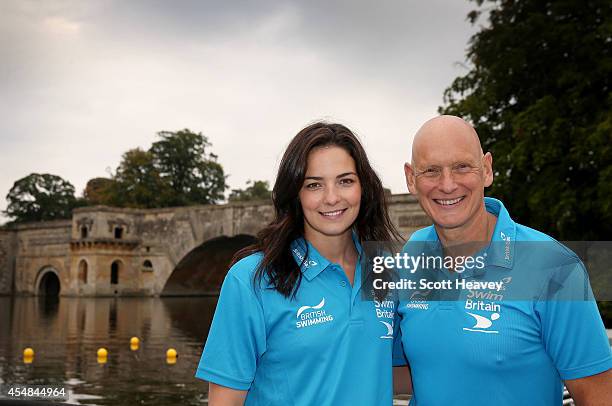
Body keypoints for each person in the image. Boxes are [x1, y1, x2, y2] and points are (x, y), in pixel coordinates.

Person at [397, 115, 612, 405]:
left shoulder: (555, 268)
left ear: (486, 170)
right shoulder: (409, 256)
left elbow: (597, 395)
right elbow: (403, 369)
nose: (447, 185)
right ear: (412, 179)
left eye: (462, 167)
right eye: (432, 171)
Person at [195, 122, 407, 405]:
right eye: (314, 185)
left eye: (345, 181)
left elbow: (399, 372)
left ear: (364, 188)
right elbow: (226, 400)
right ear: (295, 194)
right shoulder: (250, 280)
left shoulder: (385, 270)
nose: (332, 197)